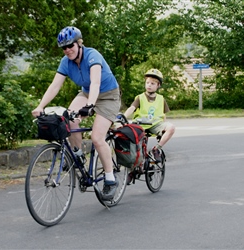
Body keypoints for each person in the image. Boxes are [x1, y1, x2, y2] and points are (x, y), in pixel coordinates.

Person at [32, 26, 121, 201]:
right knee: (68, 120)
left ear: (79, 43)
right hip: (87, 93)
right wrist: (40, 106)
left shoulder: (92, 55)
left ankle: (110, 179)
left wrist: (89, 106)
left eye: (70, 45)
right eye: (63, 48)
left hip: (108, 96)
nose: (67, 50)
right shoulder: (65, 61)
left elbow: (95, 82)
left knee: (97, 137)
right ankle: (78, 155)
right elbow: (55, 86)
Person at [124, 68, 175, 163]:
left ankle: (156, 149)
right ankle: (134, 165)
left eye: (152, 83)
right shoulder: (140, 97)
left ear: (158, 85)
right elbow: (132, 108)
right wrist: (123, 117)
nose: (149, 85)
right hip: (140, 125)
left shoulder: (161, 99)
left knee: (171, 127)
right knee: (134, 146)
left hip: (155, 125)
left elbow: (163, 115)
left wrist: (163, 130)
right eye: (147, 83)